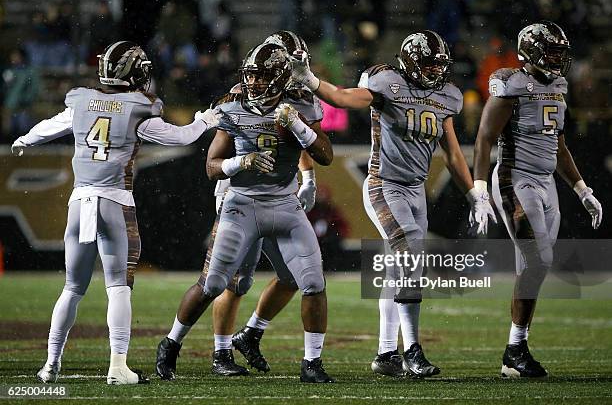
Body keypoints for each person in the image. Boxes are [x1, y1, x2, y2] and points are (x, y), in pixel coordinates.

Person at [10, 41, 221, 385]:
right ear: (135, 73)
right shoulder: (139, 109)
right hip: (114, 204)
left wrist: (24, 139)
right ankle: (118, 366)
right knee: (119, 287)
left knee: (72, 288)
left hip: (79, 202)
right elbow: (181, 136)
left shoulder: (82, 102)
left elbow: (50, 126)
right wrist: (206, 119)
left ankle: (50, 365)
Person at [290, 30, 495, 377]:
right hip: (385, 185)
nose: (435, 72)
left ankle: (386, 354)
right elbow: (342, 98)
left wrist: (475, 192)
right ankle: (413, 349)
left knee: (396, 269)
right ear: (411, 63)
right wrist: (308, 79)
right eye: (428, 65)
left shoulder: (444, 95)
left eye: (438, 66)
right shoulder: (388, 82)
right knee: (411, 256)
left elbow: (453, 151)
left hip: (416, 192)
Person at [158, 41, 334, 383]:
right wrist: (242, 161)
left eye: (262, 76)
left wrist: (298, 126)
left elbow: (325, 154)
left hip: (285, 204)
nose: (253, 83)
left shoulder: (301, 105)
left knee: (312, 282)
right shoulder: (234, 104)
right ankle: (171, 344)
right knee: (215, 283)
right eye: (251, 75)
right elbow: (211, 166)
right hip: (241, 202)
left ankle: (311, 363)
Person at [472, 21, 602, 378]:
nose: (559, 60)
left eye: (562, 52)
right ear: (531, 51)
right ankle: (515, 349)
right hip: (516, 179)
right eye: (552, 52)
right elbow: (484, 138)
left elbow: (558, 146)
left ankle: (515, 350)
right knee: (539, 258)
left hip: (547, 184)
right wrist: (479, 189)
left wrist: (582, 190)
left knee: (531, 269)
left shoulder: (558, 85)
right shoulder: (511, 84)